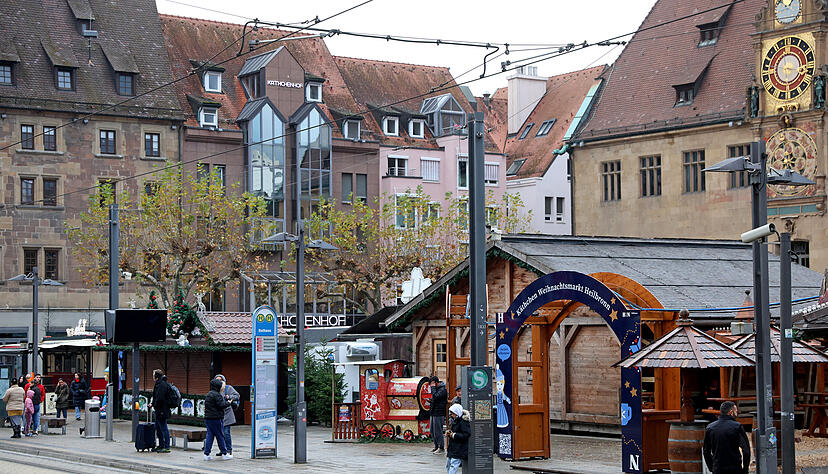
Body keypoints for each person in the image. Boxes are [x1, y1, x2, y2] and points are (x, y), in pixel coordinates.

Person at [703, 401, 750, 474]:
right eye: (736, 411)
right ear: (731, 412)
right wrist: (745, 469)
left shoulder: (710, 428)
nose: (737, 413)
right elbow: (746, 450)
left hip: (718, 468)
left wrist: (712, 467)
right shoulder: (737, 427)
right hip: (735, 468)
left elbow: (706, 451)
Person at [203, 378, 231, 461]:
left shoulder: (209, 394)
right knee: (220, 435)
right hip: (216, 418)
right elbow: (221, 405)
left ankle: (206, 454)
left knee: (210, 435)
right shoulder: (217, 395)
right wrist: (228, 403)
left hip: (208, 418)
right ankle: (225, 453)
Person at [214, 374, 240, 456]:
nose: (219, 382)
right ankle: (222, 450)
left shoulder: (228, 388)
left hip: (227, 414)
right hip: (217, 415)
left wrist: (229, 397)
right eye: (217, 380)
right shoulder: (214, 390)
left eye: (220, 380)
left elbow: (237, 396)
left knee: (226, 433)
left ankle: (228, 449)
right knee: (219, 434)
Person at [148, 369, 172, 453]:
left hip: (162, 410)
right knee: (158, 428)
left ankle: (167, 446)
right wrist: (152, 403)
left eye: (153, 374)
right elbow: (157, 397)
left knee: (163, 428)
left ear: (156, 376)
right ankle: (161, 445)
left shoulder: (162, 385)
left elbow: (160, 398)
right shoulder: (160, 384)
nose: (152, 376)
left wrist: (154, 404)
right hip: (159, 409)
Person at [445, 403, 470, 474]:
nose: (451, 415)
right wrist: (450, 433)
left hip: (459, 448)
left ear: (457, 413)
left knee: (453, 465)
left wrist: (454, 435)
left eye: (453, 413)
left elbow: (466, 434)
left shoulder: (463, 422)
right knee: (449, 464)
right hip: (453, 447)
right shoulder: (456, 421)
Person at [429, 375, 448, 454]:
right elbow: (435, 398)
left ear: (435, 383)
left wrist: (433, 388)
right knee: (432, 430)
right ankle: (436, 446)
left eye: (431, 384)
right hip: (434, 412)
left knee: (438, 431)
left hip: (439, 413)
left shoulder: (442, 389)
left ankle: (441, 447)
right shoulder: (437, 389)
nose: (431, 386)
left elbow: (436, 396)